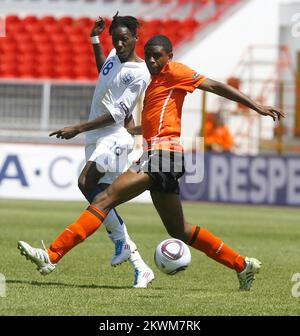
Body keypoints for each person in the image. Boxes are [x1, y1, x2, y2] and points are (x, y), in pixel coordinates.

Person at [18, 35, 284, 291]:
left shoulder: (176, 71)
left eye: (157, 56)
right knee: (179, 230)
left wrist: (257, 107)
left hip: (164, 155)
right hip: (159, 156)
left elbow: (215, 86)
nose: (152, 61)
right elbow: (150, 126)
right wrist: (128, 132)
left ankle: (52, 256)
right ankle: (242, 265)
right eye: (148, 57)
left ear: (169, 56)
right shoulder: (153, 84)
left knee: (104, 199)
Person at [18, 14, 154, 288]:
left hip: (115, 136)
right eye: (115, 39)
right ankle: (138, 263)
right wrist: (95, 39)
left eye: (125, 39)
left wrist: (77, 128)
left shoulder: (140, 73)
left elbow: (117, 115)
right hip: (97, 136)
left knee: (86, 182)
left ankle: (53, 255)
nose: (119, 43)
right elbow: (105, 70)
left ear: (136, 38)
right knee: (101, 198)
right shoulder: (115, 55)